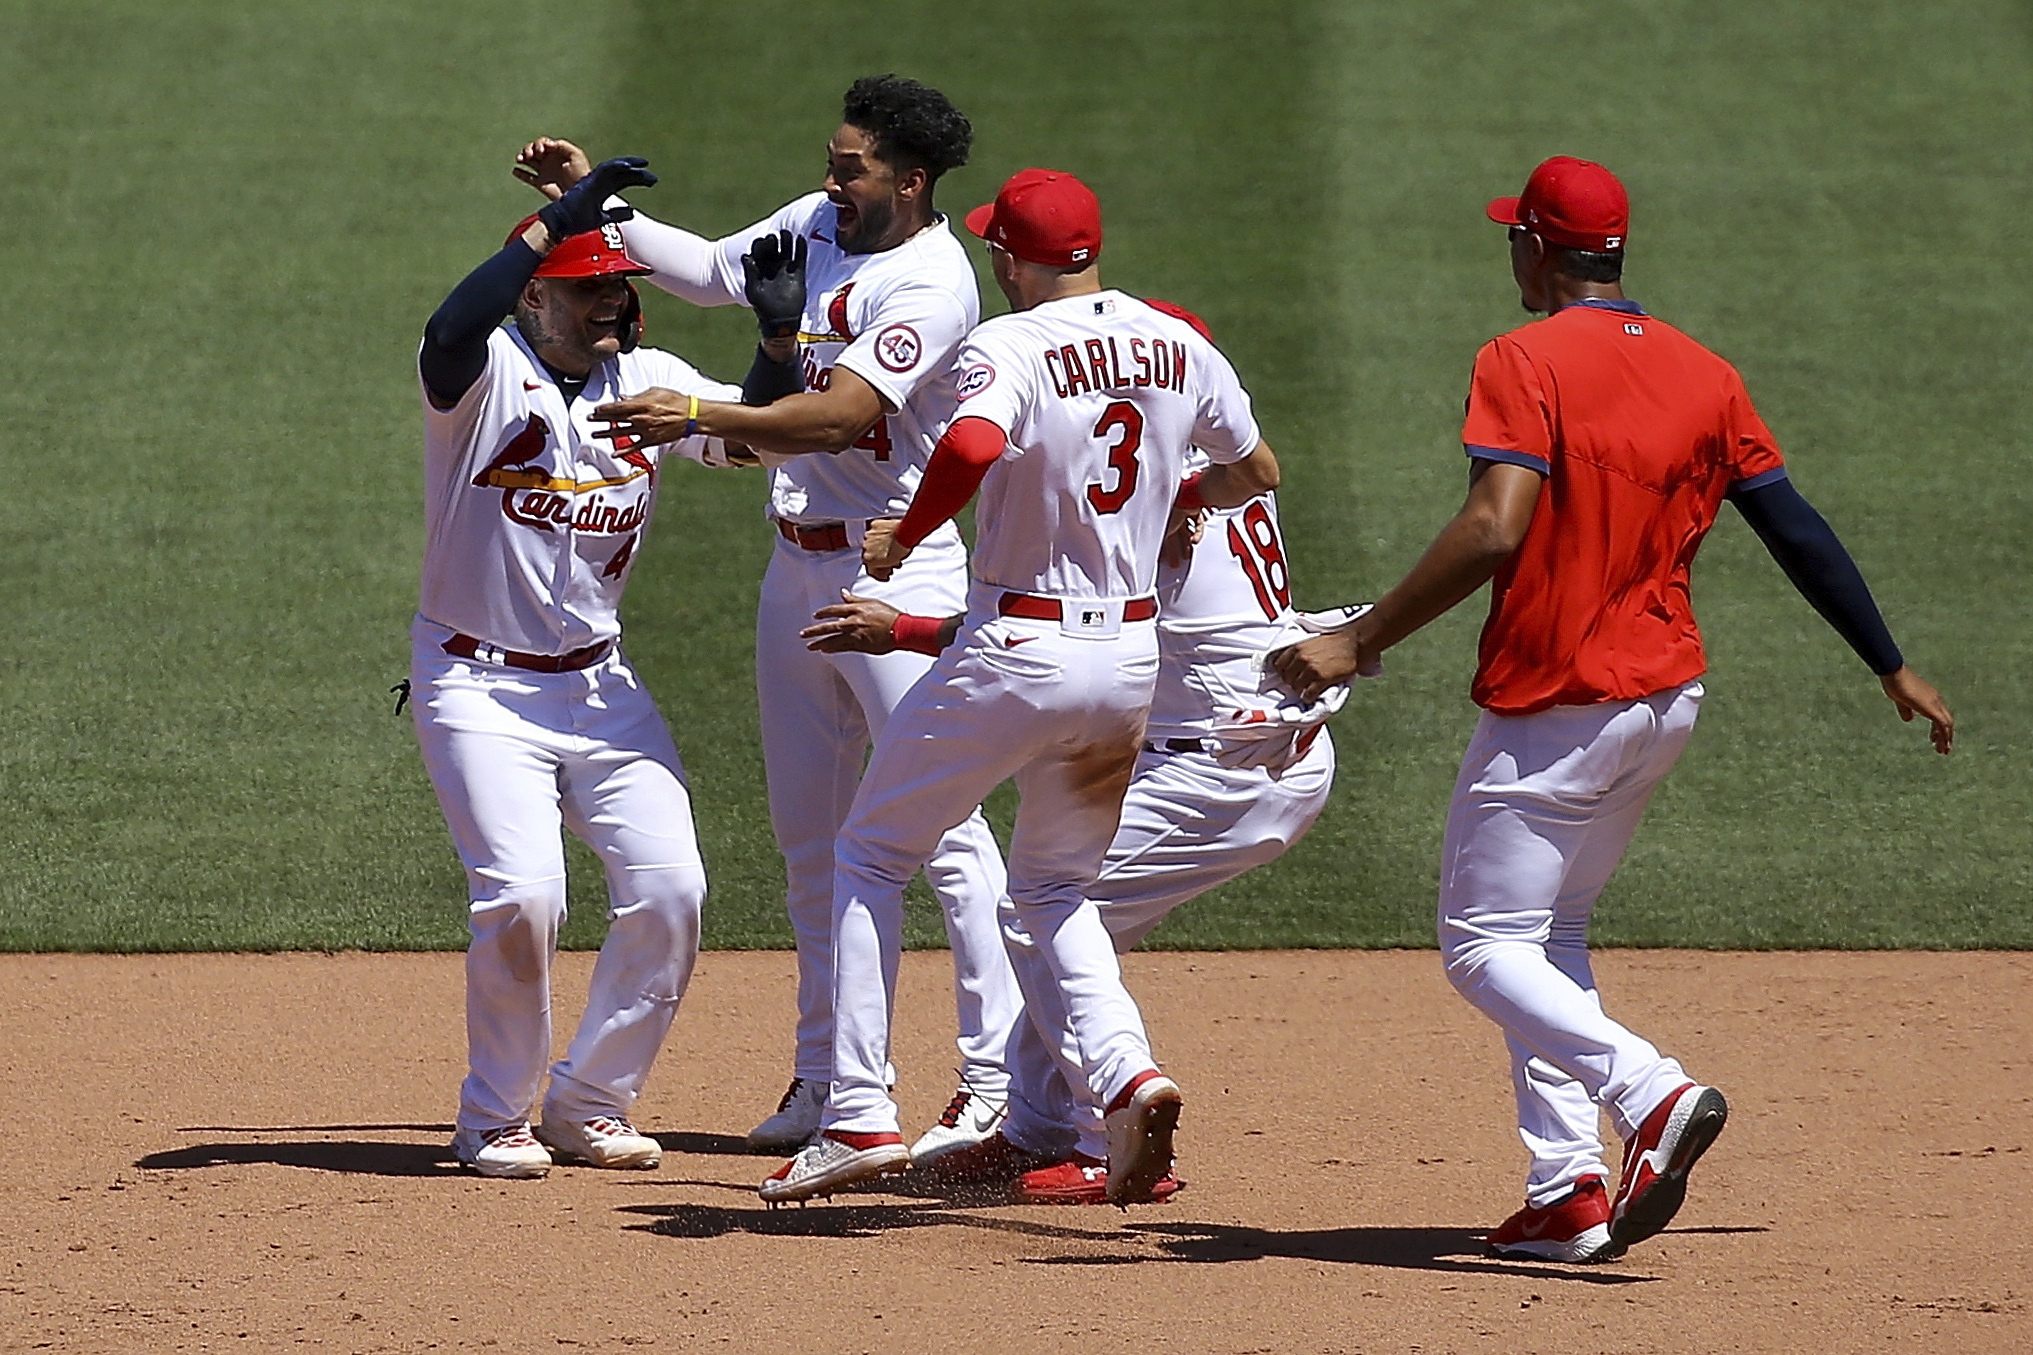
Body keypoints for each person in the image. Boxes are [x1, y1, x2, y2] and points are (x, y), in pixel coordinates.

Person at [1273, 155, 1955, 1261]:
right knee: (1551, 935)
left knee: (1479, 947)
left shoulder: (1522, 356)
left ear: (1537, 249)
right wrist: (1886, 660)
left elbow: (1494, 524)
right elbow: (1792, 523)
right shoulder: (1702, 369)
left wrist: (1356, 639)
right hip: (1661, 700)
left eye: (1513, 237)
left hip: (1557, 702)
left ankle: (1646, 1091)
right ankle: (1563, 1190)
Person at [752, 169, 1282, 1206]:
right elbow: (1255, 469)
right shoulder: (1180, 344)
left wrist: (905, 532)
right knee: (1050, 891)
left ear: (1007, 257)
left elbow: (975, 439)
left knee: (867, 849)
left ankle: (855, 1108)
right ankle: (1125, 1072)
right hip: (1126, 664)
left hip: (1017, 648)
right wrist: (1176, 501)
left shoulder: (1011, 342)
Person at [515, 76, 1021, 1162]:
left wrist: (698, 409)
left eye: (850, 167)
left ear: (909, 179)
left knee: (947, 838)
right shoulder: (817, 220)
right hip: (795, 574)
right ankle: (832, 1075)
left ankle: (990, 1082)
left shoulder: (932, 282)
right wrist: (587, 204)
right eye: (833, 162)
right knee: (811, 847)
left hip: (896, 572)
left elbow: (841, 418)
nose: (830, 180)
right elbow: (702, 274)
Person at [413, 157, 750, 1178]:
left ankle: (590, 1099)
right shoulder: (482, 380)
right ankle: (494, 1114)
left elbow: (759, 440)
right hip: (477, 683)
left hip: (602, 686)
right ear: (536, 294)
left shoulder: (650, 384)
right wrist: (553, 217)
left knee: (672, 888)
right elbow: (446, 326)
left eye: (620, 285)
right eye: (590, 283)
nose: (613, 299)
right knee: (524, 895)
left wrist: (777, 343)